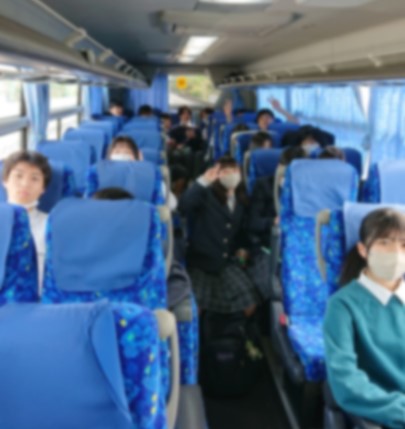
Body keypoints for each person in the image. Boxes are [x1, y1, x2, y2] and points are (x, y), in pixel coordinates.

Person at [324, 208, 405, 429]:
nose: (396, 254)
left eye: (404, 245)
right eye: (384, 243)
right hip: (386, 416)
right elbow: (347, 383)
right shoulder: (342, 306)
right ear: (363, 250)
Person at [179, 156, 259, 316]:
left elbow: (243, 231)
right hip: (201, 262)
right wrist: (203, 181)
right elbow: (184, 206)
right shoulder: (206, 195)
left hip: (227, 262)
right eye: (225, 171)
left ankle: (237, 329)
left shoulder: (242, 200)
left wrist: (243, 249)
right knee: (195, 307)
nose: (231, 175)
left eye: (234, 170)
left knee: (250, 303)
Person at [2, 151, 52, 289]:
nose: (25, 184)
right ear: (5, 181)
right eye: (18, 176)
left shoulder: (51, 225)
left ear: (43, 188)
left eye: (34, 179)